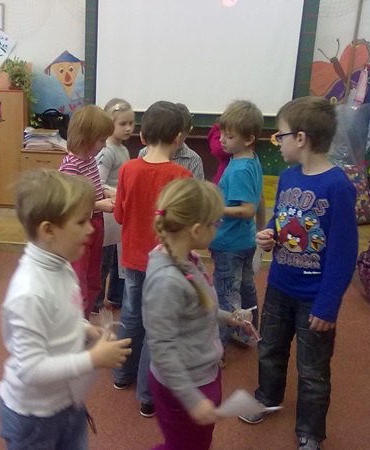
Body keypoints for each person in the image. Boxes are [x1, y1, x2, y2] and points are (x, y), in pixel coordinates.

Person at [240, 96, 358, 450]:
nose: (278, 142)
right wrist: (269, 236)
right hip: (279, 286)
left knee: (313, 370)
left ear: (301, 139)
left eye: (281, 136)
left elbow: (343, 254)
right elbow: (283, 222)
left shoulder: (338, 186)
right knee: (270, 348)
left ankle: (310, 431)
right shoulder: (288, 177)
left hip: (314, 298)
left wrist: (327, 306)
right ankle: (267, 397)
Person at [0, 168, 132, 450]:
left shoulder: (60, 265)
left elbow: (63, 313)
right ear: (48, 230)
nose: (91, 228)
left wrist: (86, 329)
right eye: (81, 221)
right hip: (34, 417)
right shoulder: (29, 293)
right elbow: (31, 369)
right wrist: (92, 359)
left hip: (66, 401)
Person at [144, 178, 255, 450]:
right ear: (196, 230)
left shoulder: (188, 258)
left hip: (200, 373)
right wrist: (192, 399)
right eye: (216, 223)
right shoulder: (167, 281)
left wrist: (228, 317)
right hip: (185, 386)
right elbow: (162, 349)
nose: (219, 227)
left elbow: (198, 306)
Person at [113, 101, 193, 418]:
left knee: (132, 315)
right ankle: (147, 396)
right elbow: (185, 225)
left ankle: (121, 374)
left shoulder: (127, 169)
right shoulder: (182, 175)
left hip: (132, 258)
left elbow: (119, 216)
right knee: (158, 325)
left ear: (143, 136)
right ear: (178, 138)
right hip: (166, 263)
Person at [208, 100, 264, 353]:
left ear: (249, 138)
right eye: (222, 134)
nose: (222, 140)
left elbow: (247, 209)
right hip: (244, 240)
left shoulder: (240, 168)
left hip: (229, 244)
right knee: (245, 289)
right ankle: (248, 334)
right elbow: (257, 200)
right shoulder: (249, 160)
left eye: (229, 137)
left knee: (226, 296)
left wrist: (214, 208)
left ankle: (218, 348)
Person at [59, 105, 115, 318]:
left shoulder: (90, 160)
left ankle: (83, 319)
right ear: (86, 138)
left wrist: (105, 192)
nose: (105, 145)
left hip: (96, 225)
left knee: (93, 280)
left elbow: (92, 188)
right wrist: (99, 205)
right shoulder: (71, 165)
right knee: (78, 280)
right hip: (81, 227)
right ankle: (75, 322)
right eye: (101, 140)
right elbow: (71, 203)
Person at [94, 98, 135, 312]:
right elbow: (99, 183)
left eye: (131, 123)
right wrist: (119, 194)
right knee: (103, 259)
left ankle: (114, 296)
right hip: (107, 213)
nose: (128, 128)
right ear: (110, 124)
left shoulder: (123, 149)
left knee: (116, 259)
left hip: (118, 212)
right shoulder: (107, 151)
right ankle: (95, 301)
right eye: (123, 124)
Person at [138, 103, 205, 180]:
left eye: (180, 134)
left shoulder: (193, 159)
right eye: (172, 133)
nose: (174, 138)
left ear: (189, 131)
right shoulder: (144, 153)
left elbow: (197, 186)